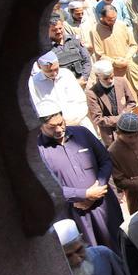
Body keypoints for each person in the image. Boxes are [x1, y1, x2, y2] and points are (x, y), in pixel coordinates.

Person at [36, 102, 123, 252]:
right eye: (52, 127)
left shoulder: (82, 133)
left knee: (121, 245)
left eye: (61, 123)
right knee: (93, 254)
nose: (59, 129)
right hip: (76, 213)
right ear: (41, 126)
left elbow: (105, 160)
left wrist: (99, 187)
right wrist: (83, 195)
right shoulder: (39, 150)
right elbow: (45, 189)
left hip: (104, 203)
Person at [29, 51, 97, 135]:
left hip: (80, 123)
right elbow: (37, 109)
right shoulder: (34, 83)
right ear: (39, 66)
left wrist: (75, 120)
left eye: (56, 69)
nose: (54, 73)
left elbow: (80, 99)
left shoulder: (66, 74)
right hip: (56, 131)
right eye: (49, 71)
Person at [85, 59, 137, 144]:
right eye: (106, 79)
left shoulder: (121, 81)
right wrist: (120, 118)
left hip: (129, 128)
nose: (110, 80)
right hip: (111, 135)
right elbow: (98, 119)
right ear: (97, 76)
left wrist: (124, 114)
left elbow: (132, 103)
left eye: (112, 77)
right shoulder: (92, 93)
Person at [87, 4, 137, 77]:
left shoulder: (122, 25)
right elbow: (99, 54)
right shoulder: (95, 31)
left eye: (114, 19)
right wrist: (114, 62)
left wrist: (126, 58)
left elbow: (133, 45)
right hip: (111, 72)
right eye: (109, 20)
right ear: (102, 17)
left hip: (128, 67)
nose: (113, 21)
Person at [48, 13, 93, 83]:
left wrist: (83, 78)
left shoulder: (75, 40)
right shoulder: (47, 49)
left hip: (82, 81)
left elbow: (86, 60)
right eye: (54, 30)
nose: (58, 31)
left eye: (60, 28)